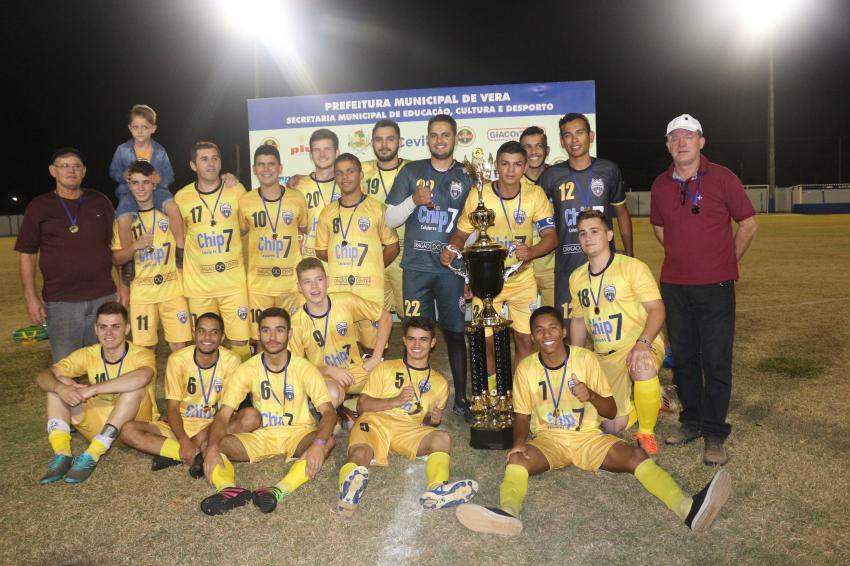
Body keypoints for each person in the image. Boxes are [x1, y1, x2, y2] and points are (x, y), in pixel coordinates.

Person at [454, 307, 732, 535]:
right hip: (548, 441)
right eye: (538, 330)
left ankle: (687, 509)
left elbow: (610, 411)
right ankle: (508, 513)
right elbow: (523, 415)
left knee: (635, 455)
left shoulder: (585, 360)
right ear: (533, 337)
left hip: (588, 438)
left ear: (563, 332)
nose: (546, 334)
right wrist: (517, 443)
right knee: (516, 460)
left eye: (552, 327)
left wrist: (590, 395)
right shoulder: (526, 368)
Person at [650, 114, 757, 466]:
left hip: (716, 286)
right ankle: (691, 421)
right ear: (668, 145)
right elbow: (660, 229)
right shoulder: (661, 185)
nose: (681, 143)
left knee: (715, 361)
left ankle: (714, 432)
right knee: (684, 360)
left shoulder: (723, 177)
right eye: (675, 137)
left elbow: (748, 224)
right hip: (675, 286)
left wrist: (726, 260)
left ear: (701, 141)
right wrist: (683, 258)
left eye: (688, 136)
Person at [199, 307, 337, 516]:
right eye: (266, 330)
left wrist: (317, 444)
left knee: (327, 441)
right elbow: (224, 414)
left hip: (298, 435)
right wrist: (211, 449)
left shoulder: (304, 368)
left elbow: (328, 412)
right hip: (261, 437)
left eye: (279, 330)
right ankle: (228, 489)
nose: (272, 337)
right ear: (258, 334)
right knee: (210, 444)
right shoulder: (247, 369)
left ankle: (277, 490)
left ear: (289, 334)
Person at [336, 317, 478, 516]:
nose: (416, 345)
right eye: (411, 339)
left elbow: (426, 421)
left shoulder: (440, 383)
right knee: (361, 453)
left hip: (408, 429)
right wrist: (395, 400)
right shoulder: (385, 368)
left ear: (433, 343)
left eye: (423, 340)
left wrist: (433, 420)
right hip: (375, 421)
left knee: (443, 437)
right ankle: (348, 492)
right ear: (403, 340)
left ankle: (437, 490)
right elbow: (362, 405)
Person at [440, 141, 556, 377]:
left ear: (525, 167)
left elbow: (551, 237)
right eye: (505, 164)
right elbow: (461, 233)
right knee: (486, 343)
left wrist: (531, 252)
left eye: (517, 164)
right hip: (486, 284)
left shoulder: (535, 195)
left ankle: (518, 394)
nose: (511, 170)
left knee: (525, 341)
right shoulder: (479, 195)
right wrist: (452, 249)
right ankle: (493, 396)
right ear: (497, 165)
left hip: (522, 281)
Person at [385, 114, 474, 421]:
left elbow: (475, 224)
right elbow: (390, 219)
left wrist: (458, 247)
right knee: (415, 335)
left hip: (451, 270)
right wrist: (413, 200)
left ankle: (461, 398)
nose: (439, 140)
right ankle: (415, 399)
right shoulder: (411, 171)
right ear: (427, 139)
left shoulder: (467, 176)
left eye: (445, 135)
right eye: (434, 135)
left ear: (455, 138)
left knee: (454, 333)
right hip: (417, 269)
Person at [569, 210, 666, 454]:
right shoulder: (577, 278)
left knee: (642, 365)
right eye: (582, 233)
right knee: (612, 425)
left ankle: (646, 432)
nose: (588, 238)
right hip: (605, 355)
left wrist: (643, 343)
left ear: (609, 235)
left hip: (639, 343)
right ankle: (652, 401)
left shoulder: (632, 267)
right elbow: (579, 322)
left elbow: (657, 310)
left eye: (594, 231)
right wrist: (576, 359)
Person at [35, 302, 156, 484]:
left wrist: (93, 389)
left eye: (116, 327)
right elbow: (43, 376)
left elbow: (143, 377)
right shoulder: (88, 354)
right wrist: (60, 388)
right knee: (57, 386)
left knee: (135, 388)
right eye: (103, 327)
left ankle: (92, 454)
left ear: (127, 329)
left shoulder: (141, 354)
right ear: (96, 330)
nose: (109, 333)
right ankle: (62, 454)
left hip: (132, 425)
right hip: (98, 424)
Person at [16, 147, 119, 362]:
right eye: (64, 166)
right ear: (53, 171)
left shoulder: (100, 201)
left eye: (76, 166)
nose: (71, 170)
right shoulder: (39, 207)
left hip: (103, 296)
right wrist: (31, 297)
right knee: (66, 365)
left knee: (106, 362)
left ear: (84, 171)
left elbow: (117, 247)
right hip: (61, 300)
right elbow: (27, 253)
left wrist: (123, 287)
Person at [120, 312, 249, 475]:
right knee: (127, 430)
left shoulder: (232, 360)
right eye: (201, 331)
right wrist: (183, 440)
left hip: (215, 426)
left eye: (214, 332)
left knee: (251, 417)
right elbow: (172, 408)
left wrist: (196, 439)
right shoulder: (177, 359)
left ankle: (177, 452)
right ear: (194, 334)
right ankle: (195, 454)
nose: (207, 337)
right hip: (180, 426)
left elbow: (226, 413)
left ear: (222, 337)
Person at [538, 113, 633, 325]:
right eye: (568, 135)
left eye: (580, 133)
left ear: (591, 136)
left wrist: (629, 256)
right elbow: (535, 212)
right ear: (562, 141)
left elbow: (622, 213)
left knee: (610, 325)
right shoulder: (552, 175)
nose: (574, 140)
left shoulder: (608, 170)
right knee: (570, 330)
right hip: (567, 264)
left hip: (605, 262)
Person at [174, 141, 252, 361]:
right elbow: (181, 236)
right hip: (199, 287)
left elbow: (243, 228)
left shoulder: (236, 189)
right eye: (204, 159)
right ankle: (207, 389)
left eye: (215, 158)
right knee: (204, 343)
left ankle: (242, 392)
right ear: (193, 165)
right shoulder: (182, 197)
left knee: (240, 342)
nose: (211, 163)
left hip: (233, 284)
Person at [316, 153, 399, 349]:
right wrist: (341, 261)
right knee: (341, 348)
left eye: (350, 171)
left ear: (361, 175)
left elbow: (393, 246)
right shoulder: (327, 212)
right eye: (340, 173)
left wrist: (374, 264)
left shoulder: (378, 209)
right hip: (338, 292)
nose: (345, 177)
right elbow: (320, 250)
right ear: (334, 177)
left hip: (370, 291)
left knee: (372, 348)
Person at [288, 258, 392, 409]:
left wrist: (376, 357)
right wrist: (328, 370)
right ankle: (339, 408)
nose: (314, 286)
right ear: (299, 287)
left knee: (393, 381)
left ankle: (350, 405)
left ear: (327, 281)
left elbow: (386, 317)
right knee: (331, 394)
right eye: (307, 282)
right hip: (326, 377)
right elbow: (297, 368)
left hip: (358, 370)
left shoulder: (345, 301)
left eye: (319, 279)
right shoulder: (296, 322)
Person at [111, 161, 192, 352]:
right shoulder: (124, 218)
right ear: (128, 185)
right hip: (142, 293)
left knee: (180, 347)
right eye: (135, 183)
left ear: (154, 184)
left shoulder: (170, 215)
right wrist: (135, 247)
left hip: (172, 290)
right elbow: (116, 259)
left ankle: (179, 381)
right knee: (145, 348)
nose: (140, 188)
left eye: (145, 182)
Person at [239, 144, 308, 343]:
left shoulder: (296, 198)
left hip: (289, 283)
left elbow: (304, 228)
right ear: (254, 169)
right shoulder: (245, 201)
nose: (266, 169)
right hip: (258, 284)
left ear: (280, 168)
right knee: (260, 338)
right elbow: (242, 231)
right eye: (261, 165)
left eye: (271, 164)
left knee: (293, 337)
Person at [109, 104, 184, 279]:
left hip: (157, 191)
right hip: (129, 192)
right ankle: (129, 261)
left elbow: (170, 175)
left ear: (153, 129)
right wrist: (122, 175)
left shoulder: (159, 151)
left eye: (145, 127)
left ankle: (180, 249)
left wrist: (161, 180)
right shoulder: (122, 150)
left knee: (173, 209)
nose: (140, 131)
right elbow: (112, 171)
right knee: (124, 220)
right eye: (136, 127)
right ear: (130, 128)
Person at [360, 119, 408, 314]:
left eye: (390, 139)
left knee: (410, 318)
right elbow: (330, 173)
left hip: (405, 257)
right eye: (378, 139)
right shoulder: (361, 170)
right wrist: (300, 178)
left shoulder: (414, 169)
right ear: (372, 143)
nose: (384, 144)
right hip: (372, 254)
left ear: (400, 141)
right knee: (375, 319)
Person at [520, 126, 556, 308]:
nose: (533, 152)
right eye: (527, 147)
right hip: (521, 268)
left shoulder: (559, 178)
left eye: (539, 146)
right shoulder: (511, 183)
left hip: (553, 268)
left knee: (556, 323)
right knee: (523, 329)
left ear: (547, 150)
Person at [293, 128, 340, 259]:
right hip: (311, 261)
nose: (322, 154)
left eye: (327, 149)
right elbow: (300, 226)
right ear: (310, 154)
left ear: (337, 152)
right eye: (317, 150)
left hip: (342, 260)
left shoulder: (348, 184)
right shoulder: (299, 187)